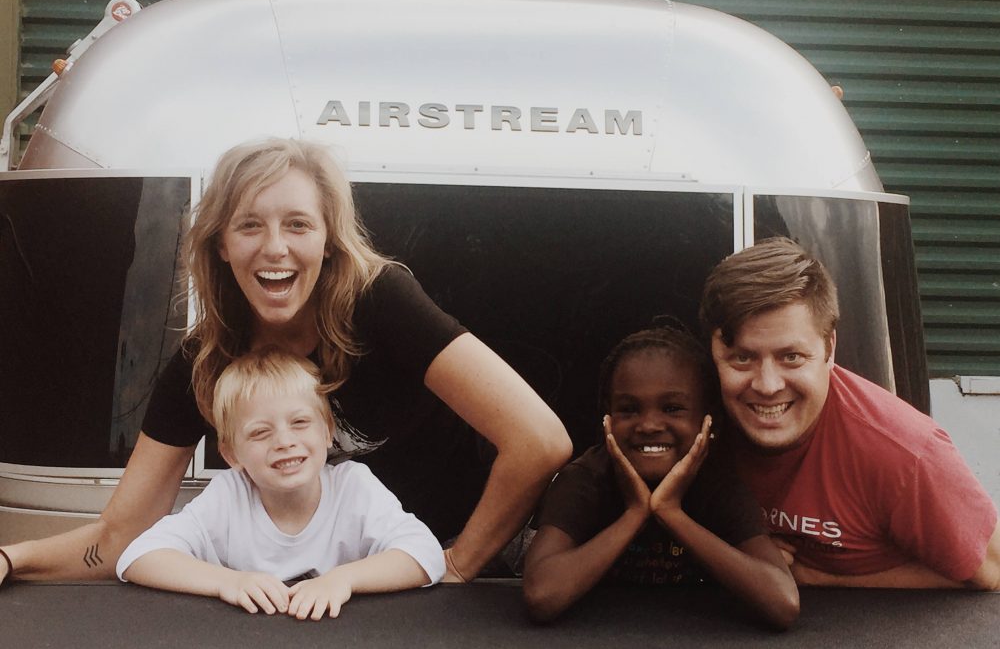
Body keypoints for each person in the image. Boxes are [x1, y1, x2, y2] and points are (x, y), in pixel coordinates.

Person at [0, 137, 571, 587]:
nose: (275, 247)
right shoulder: (205, 362)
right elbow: (122, 536)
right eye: (250, 224)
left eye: (298, 224)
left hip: (445, 572)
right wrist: (11, 558)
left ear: (328, 239)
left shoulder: (381, 302)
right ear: (221, 244)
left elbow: (539, 441)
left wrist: (459, 566)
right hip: (322, 592)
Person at [700, 236, 1000, 589]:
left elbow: (993, 572)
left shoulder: (907, 453)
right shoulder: (688, 426)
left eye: (791, 357)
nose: (767, 385)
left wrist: (812, 577)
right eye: (742, 358)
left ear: (829, 349)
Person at [118, 348, 444, 619]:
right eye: (260, 432)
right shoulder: (229, 495)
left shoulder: (353, 487)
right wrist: (227, 582)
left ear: (327, 431)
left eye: (300, 422)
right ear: (232, 454)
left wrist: (343, 580)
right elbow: (139, 555)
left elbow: (426, 553)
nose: (285, 441)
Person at [521, 326, 799, 628]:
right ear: (607, 419)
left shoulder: (718, 484)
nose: (649, 425)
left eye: (672, 408)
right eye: (629, 410)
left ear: (708, 421)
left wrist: (670, 512)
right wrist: (635, 512)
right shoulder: (586, 480)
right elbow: (542, 595)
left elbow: (782, 603)